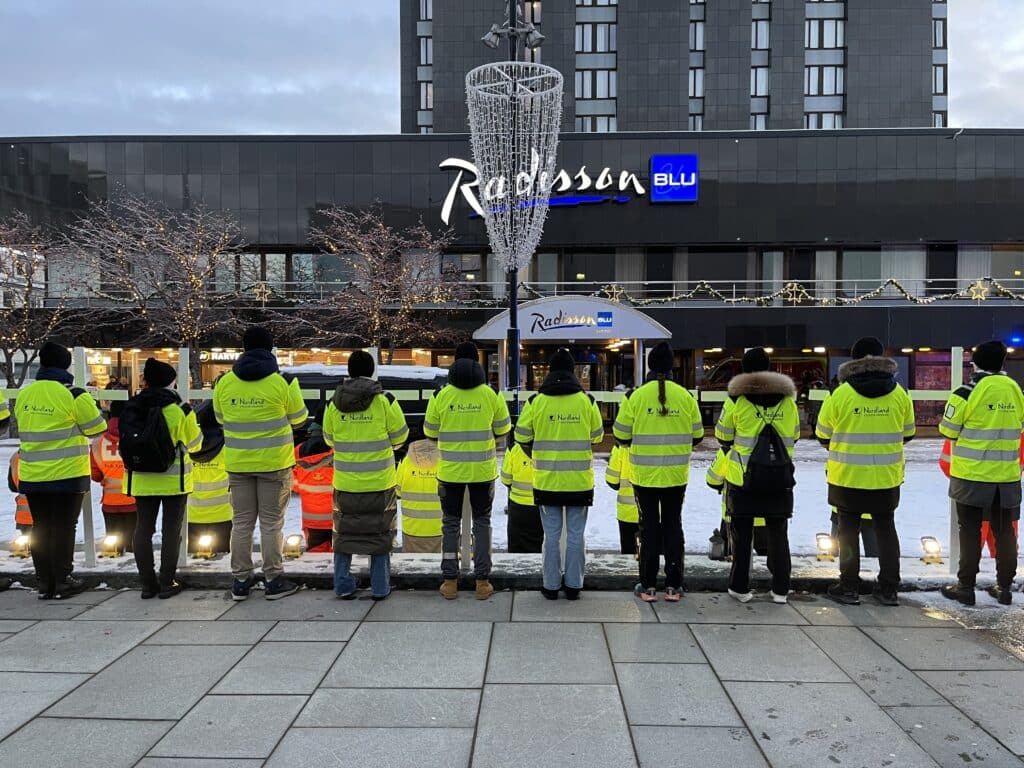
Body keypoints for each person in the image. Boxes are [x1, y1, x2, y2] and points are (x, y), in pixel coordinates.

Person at [815, 337, 915, 606]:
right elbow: (909, 433)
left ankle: (849, 586)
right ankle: (889, 589)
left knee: (848, 530)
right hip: (886, 477)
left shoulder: (840, 394)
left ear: (853, 360)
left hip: (846, 477)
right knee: (886, 529)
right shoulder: (900, 394)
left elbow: (822, 434)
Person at [213, 326, 308, 601]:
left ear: (243, 348)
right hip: (274, 464)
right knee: (271, 523)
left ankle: (241, 580)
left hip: (238, 464)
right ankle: (273, 578)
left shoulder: (225, 383)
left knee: (241, 523)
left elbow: (220, 419)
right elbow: (300, 419)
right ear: (270, 348)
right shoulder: (283, 382)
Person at [15, 341, 106, 599]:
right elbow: (97, 427)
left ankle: (44, 582)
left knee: (40, 527)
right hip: (67, 475)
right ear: (66, 364)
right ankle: (63, 580)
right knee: (65, 527)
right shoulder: (74, 394)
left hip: (33, 474)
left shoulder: (25, 394)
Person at [613, 342, 702, 602]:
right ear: (672, 366)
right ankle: (674, 585)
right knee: (673, 526)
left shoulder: (635, 396)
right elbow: (697, 434)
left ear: (650, 366)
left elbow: (620, 434)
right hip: (676, 476)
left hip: (644, 476)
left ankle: (648, 584)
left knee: (649, 528)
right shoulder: (685, 396)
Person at [938, 340, 1023, 606]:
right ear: (1002, 363)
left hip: (972, 476)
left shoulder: (966, 391)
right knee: (1005, 531)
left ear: (974, 363)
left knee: (970, 530)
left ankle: (966, 586)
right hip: (1007, 477)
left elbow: (948, 430)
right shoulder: (1015, 390)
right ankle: (1005, 587)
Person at [425, 341, 510, 600]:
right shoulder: (490, 394)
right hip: (482, 473)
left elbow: (430, 431)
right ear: (478, 364)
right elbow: (504, 428)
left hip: (450, 472)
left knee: (450, 525)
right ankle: (482, 582)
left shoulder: (442, 395)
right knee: (482, 524)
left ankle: (449, 581)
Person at [516, 348, 604, 600]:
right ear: (573, 372)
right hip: (579, 481)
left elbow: (521, 436)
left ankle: (551, 586)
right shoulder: (587, 402)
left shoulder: (536, 402)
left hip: (547, 481)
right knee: (576, 535)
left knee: (551, 536)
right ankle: (574, 585)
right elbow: (597, 436)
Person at [715, 347, 799, 604]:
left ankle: (740, 587)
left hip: (744, 479)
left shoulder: (736, 401)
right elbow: (794, 434)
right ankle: (781, 589)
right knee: (778, 534)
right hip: (779, 478)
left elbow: (723, 435)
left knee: (742, 536)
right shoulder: (788, 401)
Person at [323, 350, 408, 600]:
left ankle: (342, 584)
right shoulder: (384, 401)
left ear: (348, 371)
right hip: (380, 482)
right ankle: (380, 587)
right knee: (380, 534)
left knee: (343, 534)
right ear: (372, 370)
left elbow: (329, 438)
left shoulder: (333, 403)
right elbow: (401, 435)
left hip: (346, 482)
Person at [121, 358, 202, 599]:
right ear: (170, 382)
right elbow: (196, 445)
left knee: (142, 530)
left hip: (141, 478)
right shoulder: (178, 410)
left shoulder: (132, 406)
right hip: (172, 482)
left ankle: (147, 584)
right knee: (170, 531)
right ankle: (167, 582)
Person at [938, 436, 1021, 562]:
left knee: (970, 550)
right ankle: (1006, 580)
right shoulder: (1015, 420)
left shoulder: (965, 421)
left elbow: (947, 462)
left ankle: (967, 579)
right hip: (1005, 493)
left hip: (972, 494)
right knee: (1006, 549)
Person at [90, 401, 137, 552]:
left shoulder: (98, 443)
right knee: (134, 545)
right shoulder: (136, 438)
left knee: (114, 546)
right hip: (134, 500)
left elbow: (95, 475)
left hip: (110, 503)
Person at [187, 402, 233, 555]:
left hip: (192, 514)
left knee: (194, 562)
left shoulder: (188, 448)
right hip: (223, 514)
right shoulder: (228, 447)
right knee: (222, 560)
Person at [396, 431, 444, 553]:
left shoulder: (406, 461)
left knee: (411, 566)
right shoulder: (445, 460)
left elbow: (398, 491)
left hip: (412, 529)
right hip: (440, 529)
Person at [293, 423, 334, 552]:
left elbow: (292, 484)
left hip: (312, 521)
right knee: (340, 559)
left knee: (315, 559)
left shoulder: (297, 452)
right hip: (338, 519)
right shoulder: (338, 452)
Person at [500, 432, 542, 553]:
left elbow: (505, 478)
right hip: (543, 505)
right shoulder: (549, 448)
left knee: (517, 547)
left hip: (518, 506)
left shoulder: (513, 449)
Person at [605, 444, 638, 556]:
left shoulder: (621, 447)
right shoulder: (664, 443)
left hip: (628, 513)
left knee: (630, 556)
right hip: (658, 511)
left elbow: (612, 481)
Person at [8, 451, 32, 533]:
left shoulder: (15, 457)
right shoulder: (51, 455)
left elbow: (12, 487)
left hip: (24, 516)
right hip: (48, 513)